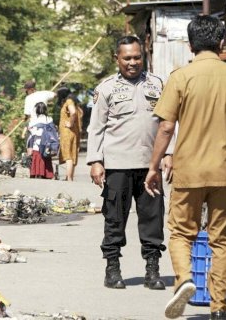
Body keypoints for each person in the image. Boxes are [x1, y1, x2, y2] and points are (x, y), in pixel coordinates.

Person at [144, 15, 226, 320]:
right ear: (222, 43)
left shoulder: (180, 77)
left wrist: (154, 166)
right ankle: (219, 308)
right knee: (223, 240)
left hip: (189, 171)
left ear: (190, 44)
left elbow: (166, 127)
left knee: (181, 233)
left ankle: (185, 279)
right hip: (225, 173)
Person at [86, 35, 168, 291]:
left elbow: (168, 123)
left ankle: (152, 270)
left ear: (143, 57)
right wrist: (95, 161)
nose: (133, 63)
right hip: (117, 165)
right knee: (114, 220)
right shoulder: (107, 88)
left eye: (137, 57)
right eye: (127, 58)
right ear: (117, 59)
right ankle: (112, 269)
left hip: (149, 166)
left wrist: (169, 154)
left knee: (153, 220)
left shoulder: (157, 84)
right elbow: (96, 128)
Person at [57, 86, 83, 181]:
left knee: (68, 155)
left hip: (67, 132)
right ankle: (70, 177)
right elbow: (79, 113)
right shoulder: (74, 102)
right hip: (73, 132)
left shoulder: (68, 101)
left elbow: (73, 113)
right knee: (72, 154)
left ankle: (69, 178)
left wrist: (70, 123)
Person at [27, 102, 55, 179]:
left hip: (38, 145)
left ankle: (38, 173)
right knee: (46, 159)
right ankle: (47, 174)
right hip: (47, 145)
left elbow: (34, 134)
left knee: (38, 159)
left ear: (36, 111)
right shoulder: (49, 119)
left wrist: (30, 130)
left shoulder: (34, 121)